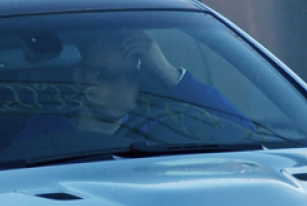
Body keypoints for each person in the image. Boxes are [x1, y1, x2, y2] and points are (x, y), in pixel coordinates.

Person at [17, 30, 250, 141]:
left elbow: (246, 134)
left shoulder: (164, 130)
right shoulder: (41, 139)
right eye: (108, 75)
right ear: (79, 78)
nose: (121, 84)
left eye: (131, 76)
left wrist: (167, 72)